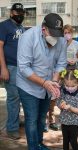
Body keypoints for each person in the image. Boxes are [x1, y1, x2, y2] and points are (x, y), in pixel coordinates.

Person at [16, 13, 67, 150]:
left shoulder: (60, 40)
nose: (55, 38)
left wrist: (54, 81)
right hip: (28, 86)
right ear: (44, 29)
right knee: (32, 119)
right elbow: (24, 68)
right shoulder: (28, 37)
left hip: (47, 85)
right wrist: (44, 83)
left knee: (41, 118)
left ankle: (39, 143)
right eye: (53, 34)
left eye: (58, 34)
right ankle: (33, 147)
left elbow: (61, 63)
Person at [0, 3, 25, 139]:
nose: (19, 15)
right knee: (13, 97)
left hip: (22, 68)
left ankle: (14, 121)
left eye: (21, 12)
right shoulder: (4, 26)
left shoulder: (21, 28)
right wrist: (3, 68)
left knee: (19, 96)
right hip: (10, 67)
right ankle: (11, 128)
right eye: (17, 12)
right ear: (11, 13)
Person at [56, 69, 78, 150]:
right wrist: (61, 104)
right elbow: (58, 101)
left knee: (73, 141)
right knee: (65, 140)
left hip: (75, 122)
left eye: (72, 86)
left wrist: (70, 107)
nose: (69, 88)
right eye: (67, 85)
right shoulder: (63, 91)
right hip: (64, 121)